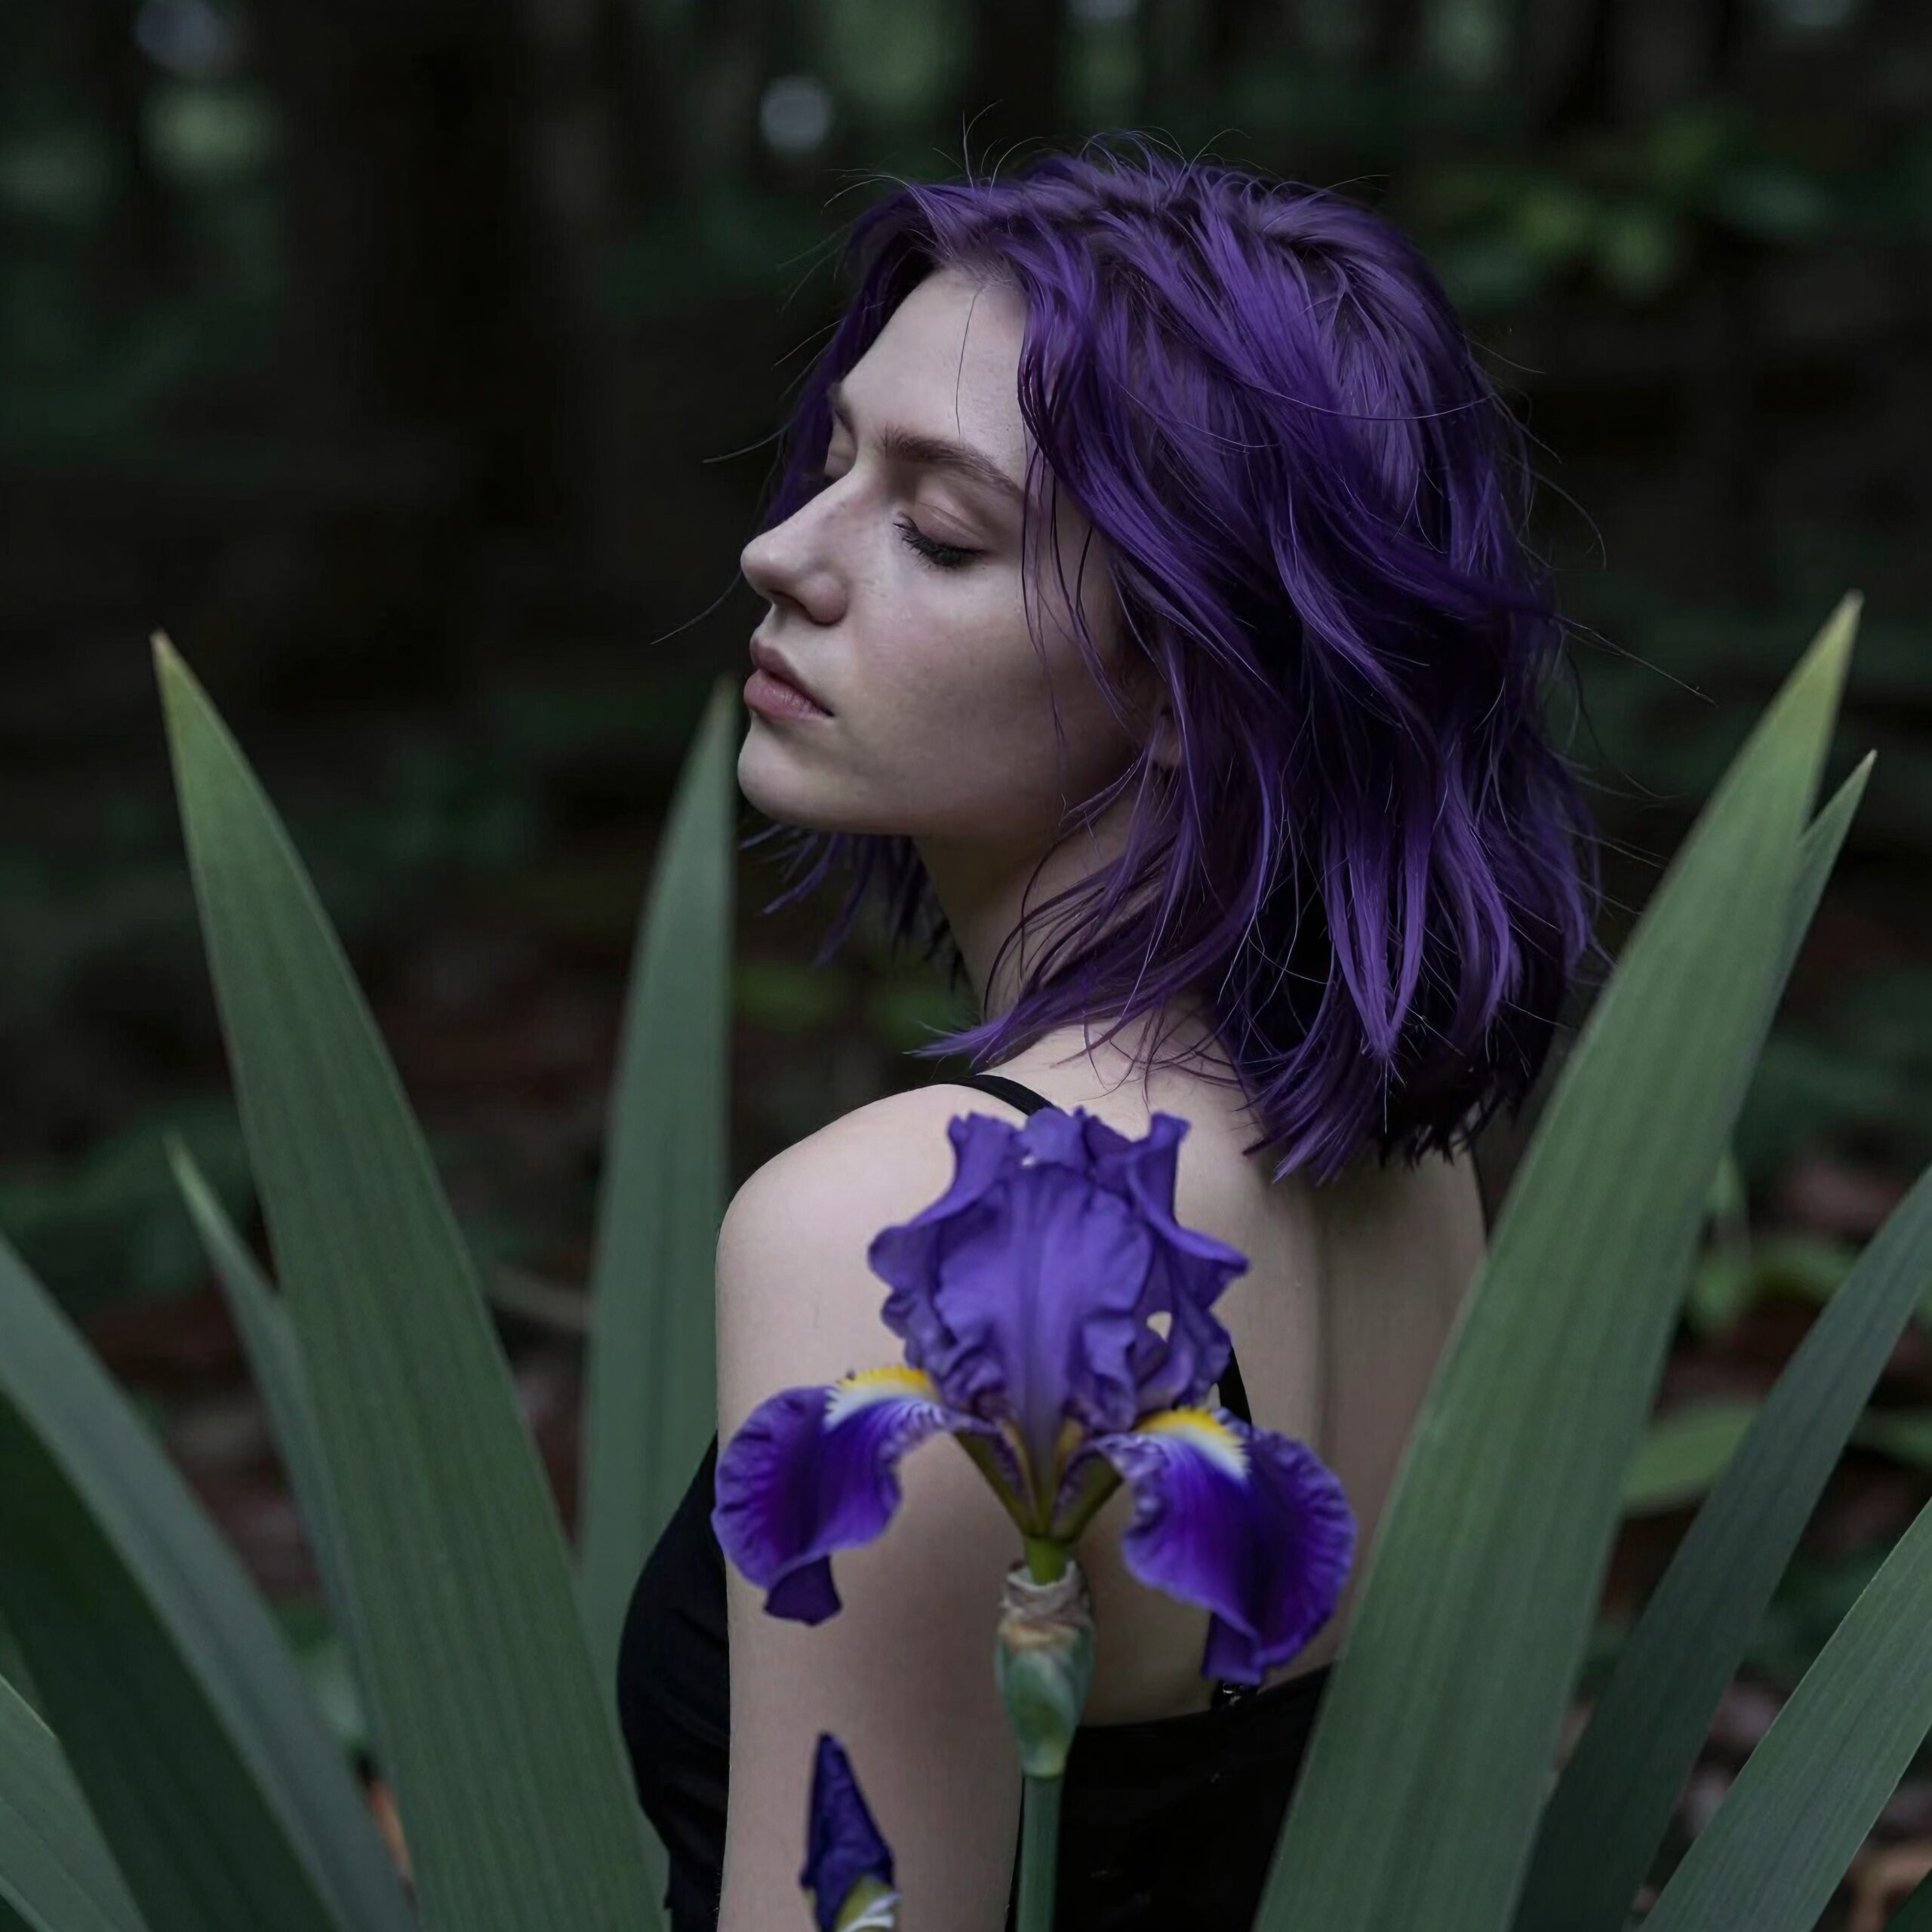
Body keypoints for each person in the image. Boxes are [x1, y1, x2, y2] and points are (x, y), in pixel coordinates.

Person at [617, 134, 1605, 1932]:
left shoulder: (872, 1227)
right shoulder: (1399, 1150)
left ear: (1190, 680)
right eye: (833, 460)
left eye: (936, 528)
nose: (778, 549)